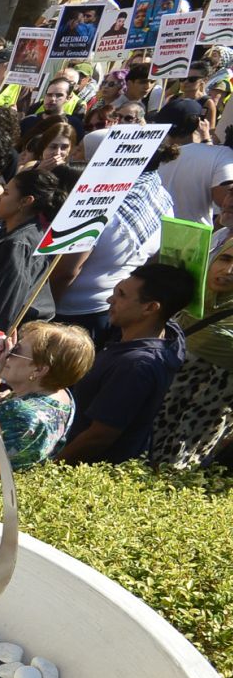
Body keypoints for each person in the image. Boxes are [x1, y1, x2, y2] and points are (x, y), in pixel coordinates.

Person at [59, 261, 192, 463]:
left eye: (121, 295)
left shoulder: (136, 367)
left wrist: (52, 467)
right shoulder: (168, 333)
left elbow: (98, 437)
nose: (110, 299)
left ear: (150, 308)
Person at [53, 146, 178, 339]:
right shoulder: (162, 200)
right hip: (110, 312)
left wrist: (45, 309)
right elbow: (153, 259)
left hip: (68, 313)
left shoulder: (97, 202)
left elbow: (66, 271)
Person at [149, 238, 233, 467]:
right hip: (153, 417)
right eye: (225, 258)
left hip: (194, 431)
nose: (228, 270)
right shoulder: (192, 297)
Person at [0, 321, 96, 470]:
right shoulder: (62, 395)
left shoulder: (21, 413)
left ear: (38, 370)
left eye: (16, 350)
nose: (7, 354)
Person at [0, 167, 65, 330]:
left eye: (6, 193)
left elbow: (6, 303)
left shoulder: (18, 244)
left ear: (26, 201)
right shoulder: (14, 233)